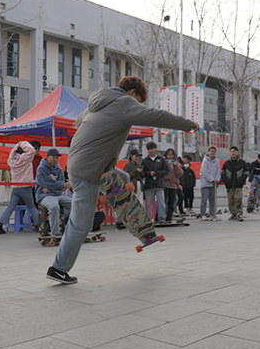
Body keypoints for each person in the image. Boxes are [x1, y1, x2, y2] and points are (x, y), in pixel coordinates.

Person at [47, 76, 199, 284]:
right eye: (138, 100)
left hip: (81, 164)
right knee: (81, 224)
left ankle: (123, 215)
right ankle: (58, 268)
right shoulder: (125, 102)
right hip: (89, 170)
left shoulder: (95, 105)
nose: (137, 105)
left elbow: (79, 122)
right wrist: (187, 124)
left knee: (124, 177)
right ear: (133, 93)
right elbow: (157, 116)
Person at [0, 141, 40, 234]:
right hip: (25, 186)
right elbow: (31, 151)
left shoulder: (11, 159)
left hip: (15, 187)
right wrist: (23, 142)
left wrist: (17, 146)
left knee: (10, 206)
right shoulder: (25, 158)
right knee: (32, 207)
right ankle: (38, 225)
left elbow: (13, 152)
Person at [35, 148, 71, 236]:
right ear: (47, 157)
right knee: (54, 206)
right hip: (44, 196)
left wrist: (51, 188)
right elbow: (49, 182)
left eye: (57, 158)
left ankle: (74, 230)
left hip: (57, 194)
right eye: (53, 157)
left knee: (75, 204)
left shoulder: (58, 169)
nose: (55, 159)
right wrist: (60, 185)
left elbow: (59, 184)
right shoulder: (41, 169)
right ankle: (55, 233)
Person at [142, 141, 168, 224]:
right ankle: (149, 220)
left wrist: (157, 173)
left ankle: (161, 219)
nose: (150, 151)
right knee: (148, 204)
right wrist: (149, 173)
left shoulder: (161, 159)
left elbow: (166, 170)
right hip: (149, 185)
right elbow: (143, 172)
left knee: (161, 203)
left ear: (155, 149)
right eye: (149, 149)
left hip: (159, 184)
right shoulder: (145, 160)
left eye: (152, 149)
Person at [221, 146, 248, 221]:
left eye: (234, 151)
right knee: (231, 200)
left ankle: (239, 213)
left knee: (238, 199)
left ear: (237, 153)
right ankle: (233, 213)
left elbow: (246, 172)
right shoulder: (227, 163)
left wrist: (242, 179)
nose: (233, 153)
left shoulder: (242, 163)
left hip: (238, 184)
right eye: (231, 151)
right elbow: (223, 173)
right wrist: (226, 180)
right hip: (229, 185)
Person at [198, 146, 220, 221]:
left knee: (212, 200)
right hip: (206, 184)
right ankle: (202, 214)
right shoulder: (205, 161)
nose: (212, 153)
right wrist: (212, 179)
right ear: (208, 152)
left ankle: (212, 214)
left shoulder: (216, 161)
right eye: (211, 151)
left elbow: (218, 171)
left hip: (214, 184)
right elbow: (205, 172)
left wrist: (217, 179)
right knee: (204, 200)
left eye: (214, 151)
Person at [163, 148, 183, 222]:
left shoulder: (176, 163)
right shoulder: (164, 162)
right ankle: (161, 216)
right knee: (163, 201)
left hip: (173, 185)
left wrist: (175, 166)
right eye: (168, 155)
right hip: (165, 184)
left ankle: (169, 217)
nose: (170, 156)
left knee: (171, 202)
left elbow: (180, 173)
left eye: (171, 155)